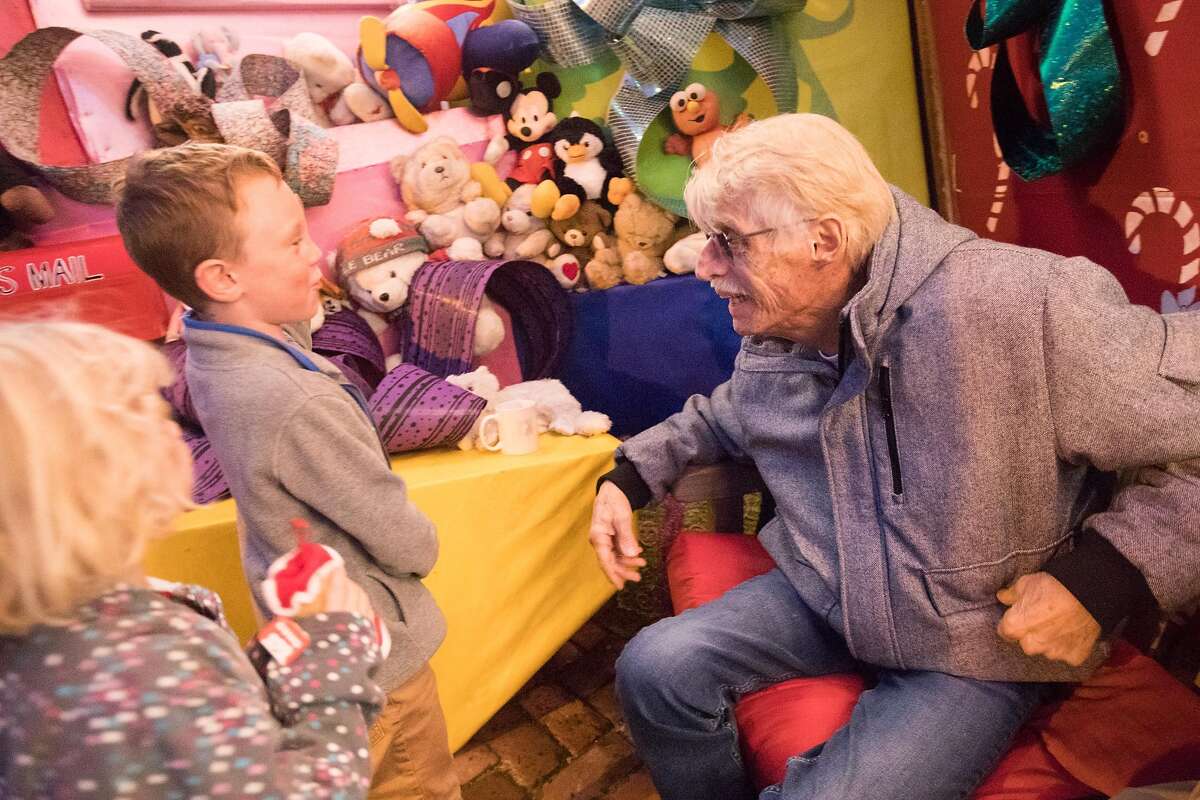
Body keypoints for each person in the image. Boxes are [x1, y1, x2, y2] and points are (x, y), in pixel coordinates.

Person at [588, 113, 1200, 800]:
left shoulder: (1019, 304)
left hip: (973, 639)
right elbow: (733, 411)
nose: (704, 267)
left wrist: (1104, 577)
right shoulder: (787, 326)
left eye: (729, 242)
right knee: (654, 668)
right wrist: (631, 474)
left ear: (824, 240)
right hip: (831, 593)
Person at [115, 143, 461, 800]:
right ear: (222, 279)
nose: (314, 253)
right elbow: (405, 539)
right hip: (375, 653)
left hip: (302, 619)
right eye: (293, 240)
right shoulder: (297, 403)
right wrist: (424, 542)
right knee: (418, 780)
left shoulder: (212, 339)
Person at [0, 320, 386, 798]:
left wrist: (275, 656)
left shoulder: (47, 646)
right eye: (150, 416)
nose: (175, 432)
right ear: (94, 489)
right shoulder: (147, 666)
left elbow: (192, 750)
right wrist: (329, 654)